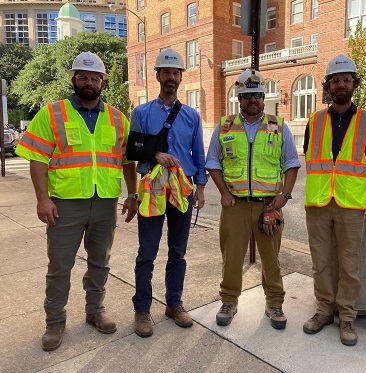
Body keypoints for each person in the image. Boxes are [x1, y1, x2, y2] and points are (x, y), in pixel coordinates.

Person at [15, 51, 138, 351]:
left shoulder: (117, 118)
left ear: (102, 83)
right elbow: (36, 158)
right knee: (60, 265)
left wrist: (133, 195)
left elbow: (128, 161)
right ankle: (54, 321)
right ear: (74, 79)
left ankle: (95, 311)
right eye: (83, 77)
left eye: (95, 78)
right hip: (65, 204)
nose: (89, 82)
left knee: (100, 262)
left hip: (105, 202)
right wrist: (42, 200)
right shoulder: (53, 113)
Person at [206, 69, 300, 330]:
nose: (253, 100)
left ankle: (275, 303)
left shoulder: (278, 127)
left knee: (271, 257)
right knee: (232, 256)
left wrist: (283, 197)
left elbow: (291, 164)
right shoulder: (224, 127)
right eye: (247, 96)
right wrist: (224, 193)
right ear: (239, 97)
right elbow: (213, 162)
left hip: (268, 205)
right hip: (235, 205)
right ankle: (228, 301)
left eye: (257, 95)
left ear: (263, 96)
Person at [302, 54, 366, 346]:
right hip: (319, 202)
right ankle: (323, 310)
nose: (341, 85)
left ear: (354, 85)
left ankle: (347, 316)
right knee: (320, 262)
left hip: (349, 203)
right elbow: (312, 155)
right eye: (336, 80)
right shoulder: (314, 120)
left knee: (349, 264)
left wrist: (345, 181)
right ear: (328, 85)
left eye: (346, 80)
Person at [130, 48, 207, 337]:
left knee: (178, 251)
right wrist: (157, 154)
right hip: (152, 189)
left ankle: (174, 303)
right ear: (158, 75)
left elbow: (198, 154)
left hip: (182, 191)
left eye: (176, 73)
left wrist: (200, 188)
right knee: (147, 253)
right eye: (167, 72)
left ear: (180, 77)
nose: (171, 77)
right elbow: (134, 149)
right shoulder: (141, 112)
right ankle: (142, 309)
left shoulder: (191, 116)